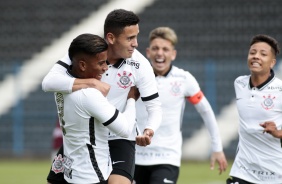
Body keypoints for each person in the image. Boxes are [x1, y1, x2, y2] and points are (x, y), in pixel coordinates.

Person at [42, 9, 162, 184]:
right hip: (83, 138)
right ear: (111, 38)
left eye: (136, 37)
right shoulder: (87, 52)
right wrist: (91, 83)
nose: (135, 44)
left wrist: (149, 129)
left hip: (120, 136)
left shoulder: (140, 65)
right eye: (130, 38)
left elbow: (155, 106)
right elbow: (48, 83)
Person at [133, 27, 228, 184]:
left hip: (167, 157)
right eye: (155, 48)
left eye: (165, 49)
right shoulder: (136, 76)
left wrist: (217, 148)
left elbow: (206, 111)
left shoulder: (184, 79)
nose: (160, 53)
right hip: (135, 155)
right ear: (148, 52)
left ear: (173, 54)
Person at [50, 33, 140, 183]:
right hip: (91, 175)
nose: (106, 68)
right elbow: (125, 129)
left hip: (70, 171)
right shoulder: (89, 95)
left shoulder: (61, 85)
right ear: (83, 65)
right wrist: (131, 98)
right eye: (101, 63)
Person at [226, 34, 282, 184]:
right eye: (252, 52)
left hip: (274, 173)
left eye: (263, 54)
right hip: (243, 170)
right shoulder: (239, 83)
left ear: (272, 63)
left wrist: (278, 133)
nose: (256, 56)